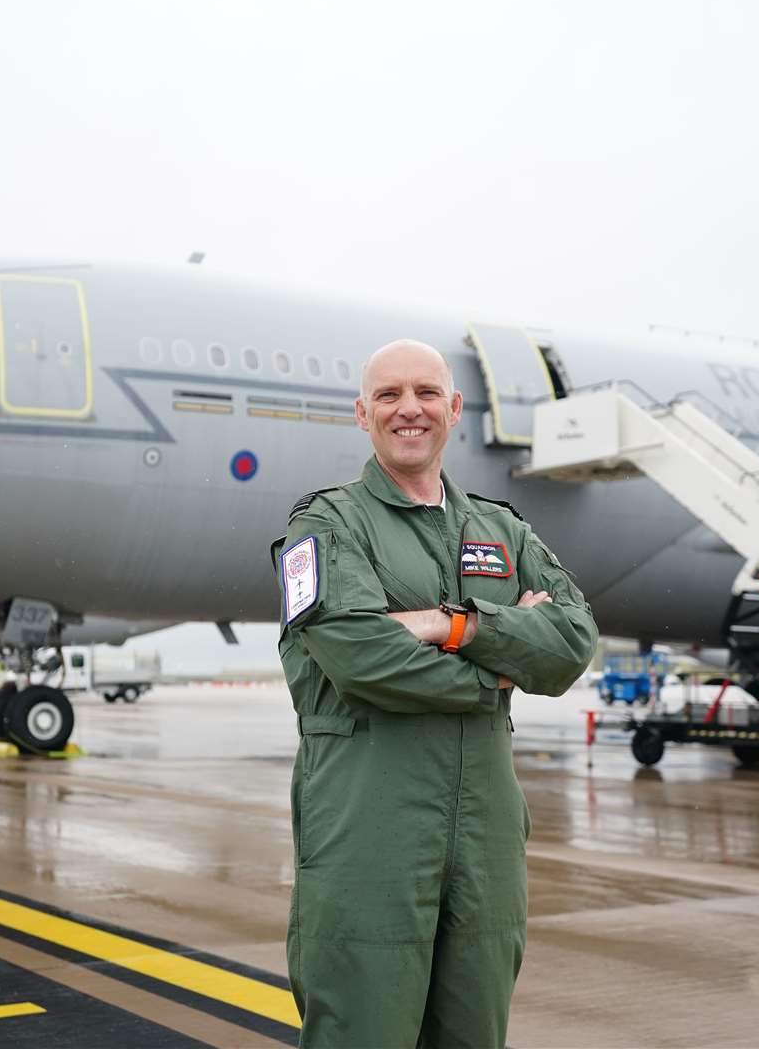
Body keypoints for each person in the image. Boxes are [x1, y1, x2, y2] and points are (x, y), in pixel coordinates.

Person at [272, 338, 598, 1047]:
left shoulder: (501, 529)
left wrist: (444, 625)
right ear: (363, 415)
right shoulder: (327, 525)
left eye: (425, 394)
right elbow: (362, 659)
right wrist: (500, 666)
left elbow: (571, 642)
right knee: (364, 1033)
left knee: (476, 1033)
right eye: (388, 396)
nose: (407, 409)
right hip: (368, 836)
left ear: (452, 409)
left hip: (485, 844)